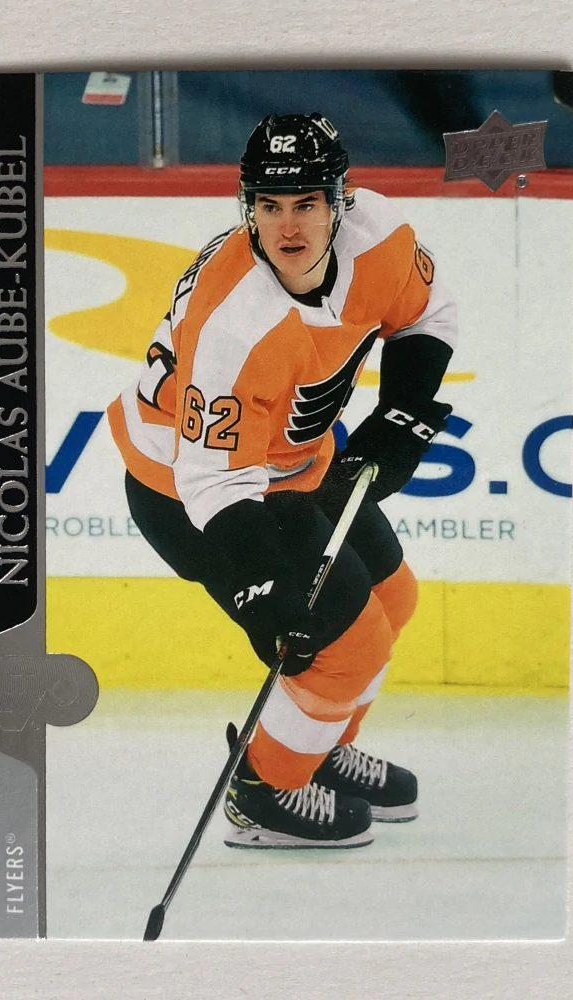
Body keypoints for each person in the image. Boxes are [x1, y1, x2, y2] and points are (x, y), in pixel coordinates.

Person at [108, 113, 458, 849]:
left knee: (393, 598)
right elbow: (211, 480)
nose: (288, 226)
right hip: (185, 489)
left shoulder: (380, 236)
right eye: (269, 205)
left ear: (341, 199)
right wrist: (259, 583)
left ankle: (315, 748)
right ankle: (262, 791)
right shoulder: (235, 323)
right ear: (248, 207)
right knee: (345, 645)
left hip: (291, 462)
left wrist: (401, 414)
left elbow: (428, 315)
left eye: (306, 203)